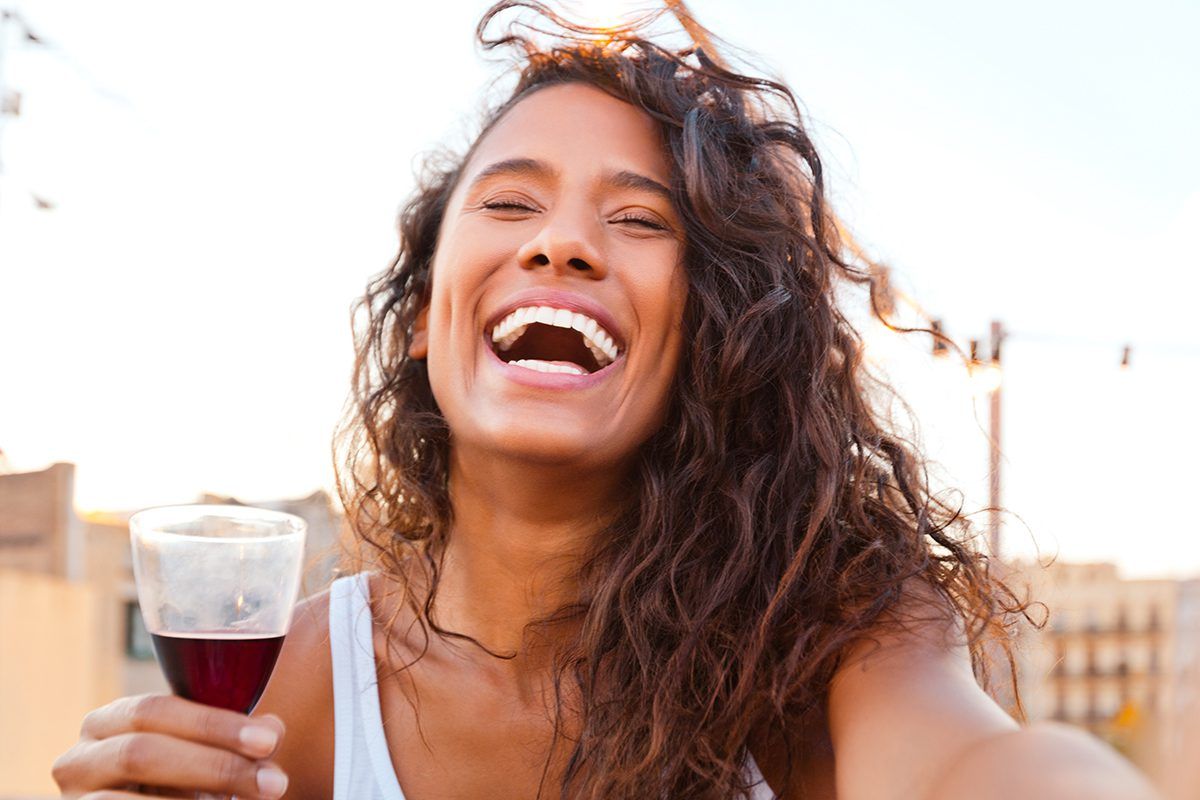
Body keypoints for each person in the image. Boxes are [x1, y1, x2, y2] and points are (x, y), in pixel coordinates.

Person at [52, 3, 1161, 798]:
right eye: (509, 199)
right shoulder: (294, 684)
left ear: (721, 325)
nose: (561, 240)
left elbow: (979, 765)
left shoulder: (830, 647)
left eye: (638, 220)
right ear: (430, 295)